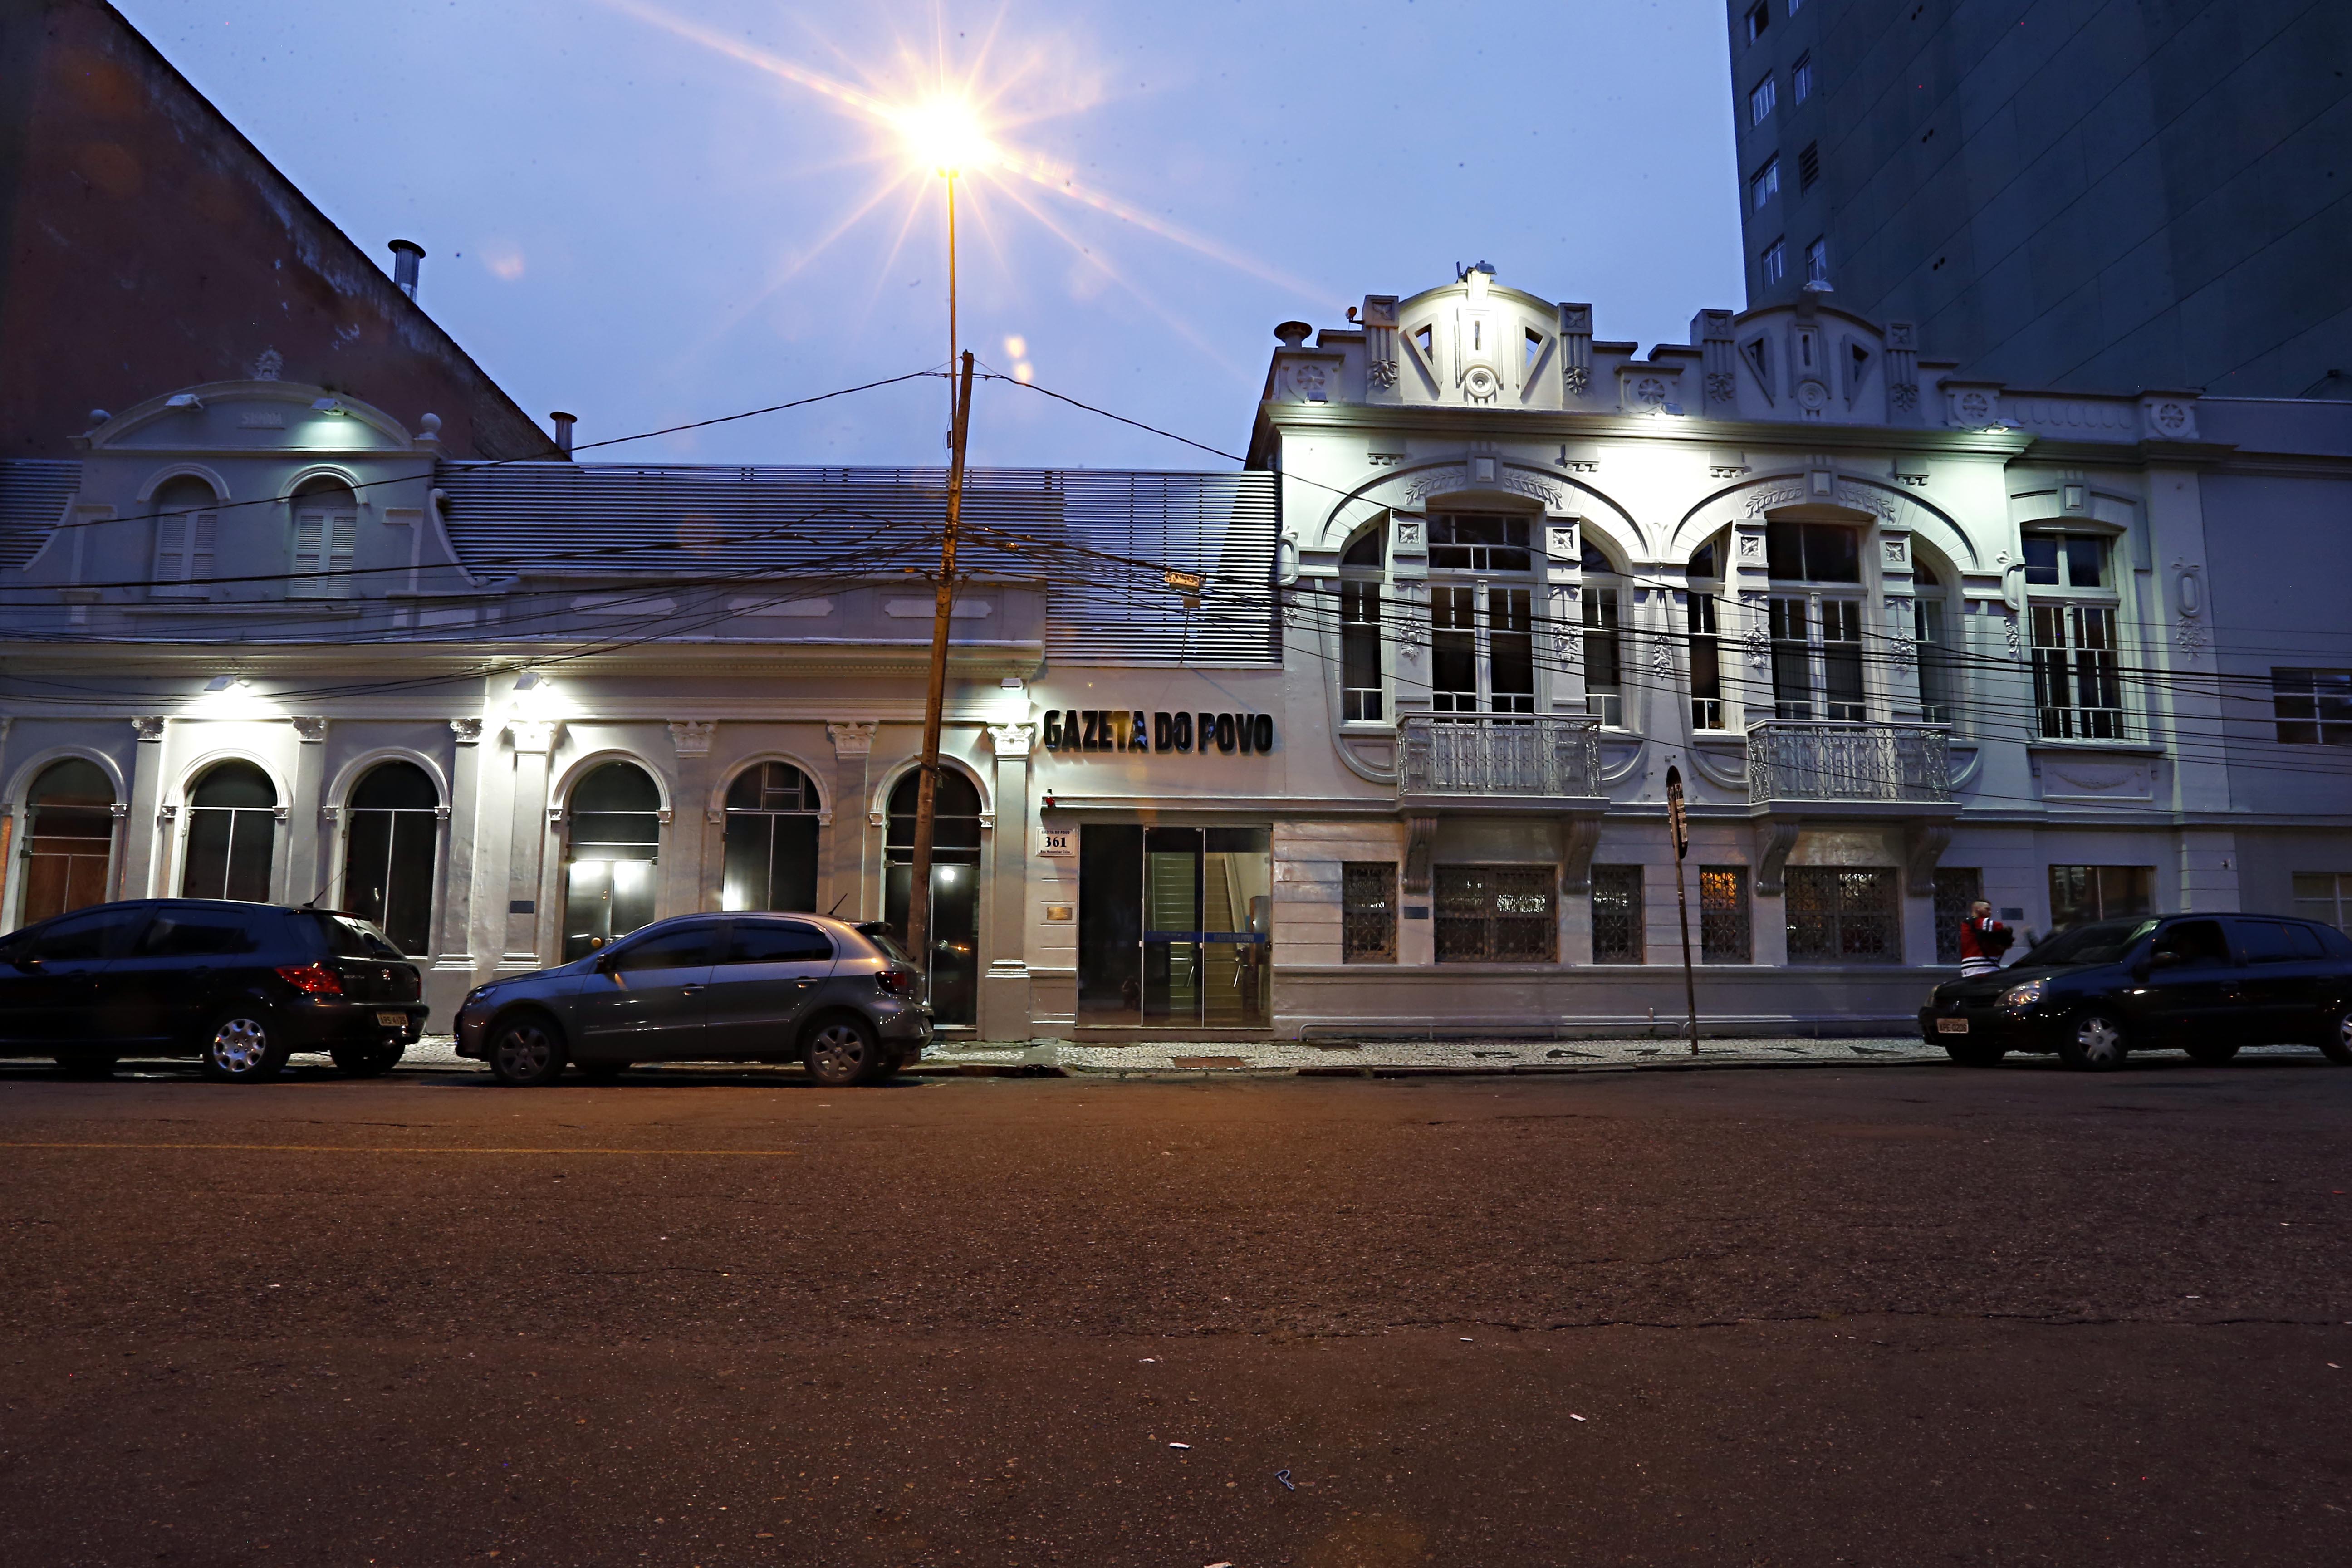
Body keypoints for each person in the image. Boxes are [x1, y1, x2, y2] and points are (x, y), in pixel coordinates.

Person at [1959, 900, 2012, 977]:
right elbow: (1997, 926)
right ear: (1977, 909)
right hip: (1980, 966)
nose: (1990, 912)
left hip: (1980, 966)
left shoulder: (1973, 926)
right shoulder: (1973, 922)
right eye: (1987, 909)